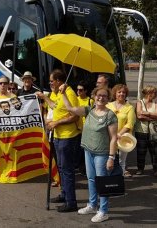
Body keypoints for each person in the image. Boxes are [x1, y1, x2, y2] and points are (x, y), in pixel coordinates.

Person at [59, 85, 117, 223]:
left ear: (108, 99)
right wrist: (63, 94)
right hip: (88, 151)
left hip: (102, 154)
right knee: (91, 179)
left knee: (102, 182)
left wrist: (111, 157)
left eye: (104, 96)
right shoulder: (89, 110)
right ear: (94, 96)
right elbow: (71, 109)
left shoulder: (110, 115)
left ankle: (103, 211)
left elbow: (114, 138)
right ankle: (92, 205)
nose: (101, 98)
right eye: (99, 95)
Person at [37, 69, 80, 213]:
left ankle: (71, 202)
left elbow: (75, 116)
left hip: (67, 136)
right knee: (61, 168)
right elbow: (55, 106)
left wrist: (57, 123)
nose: (50, 83)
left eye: (51, 81)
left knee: (67, 170)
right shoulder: (58, 93)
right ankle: (64, 194)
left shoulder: (70, 93)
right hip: (57, 136)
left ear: (58, 81)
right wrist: (44, 97)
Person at [106, 84, 136, 178]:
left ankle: (119, 180)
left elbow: (130, 124)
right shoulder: (108, 105)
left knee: (121, 161)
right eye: (119, 92)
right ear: (115, 93)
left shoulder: (130, 107)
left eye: (123, 92)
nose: (121, 94)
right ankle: (109, 179)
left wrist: (119, 134)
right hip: (108, 137)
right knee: (109, 159)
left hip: (123, 138)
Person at [135, 85, 157, 177]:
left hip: (154, 132)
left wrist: (147, 113)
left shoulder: (156, 104)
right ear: (148, 93)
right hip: (141, 131)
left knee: (155, 152)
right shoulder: (139, 103)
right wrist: (152, 116)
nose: (156, 94)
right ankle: (140, 169)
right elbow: (139, 116)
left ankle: (156, 170)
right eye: (154, 92)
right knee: (141, 151)